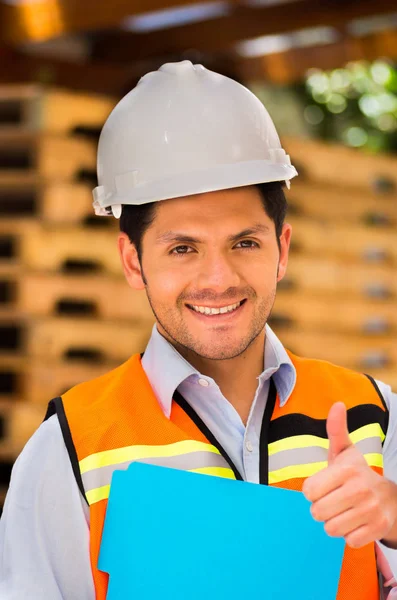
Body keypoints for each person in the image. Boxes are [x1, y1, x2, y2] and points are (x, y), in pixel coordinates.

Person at [0, 60, 397, 600]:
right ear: (134, 260)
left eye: (245, 242)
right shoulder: (69, 451)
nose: (218, 279)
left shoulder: (376, 420)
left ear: (281, 250)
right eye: (183, 249)